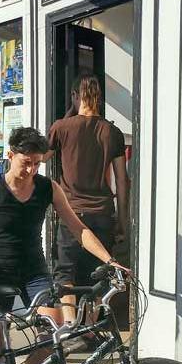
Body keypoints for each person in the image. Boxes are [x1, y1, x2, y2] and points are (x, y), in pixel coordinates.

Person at [0, 127, 125, 364]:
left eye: (37, 164)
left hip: (34, 272)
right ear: (10, 155)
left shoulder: (48, 188)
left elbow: (79, 229)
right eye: (26, 162)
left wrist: (109, 260)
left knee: (51, 339)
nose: (31, 170)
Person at [47, 74, 130, 327]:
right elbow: (122, 180)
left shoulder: (61, 128)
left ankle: (71, 327)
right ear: (99, 99)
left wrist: (66, 116)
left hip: (72, 214)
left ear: (75, 96)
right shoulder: (112, 132)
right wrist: (122, 221)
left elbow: (42, 157)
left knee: (66, 273)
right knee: (97, 275)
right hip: (103, 213)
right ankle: (90, 328)